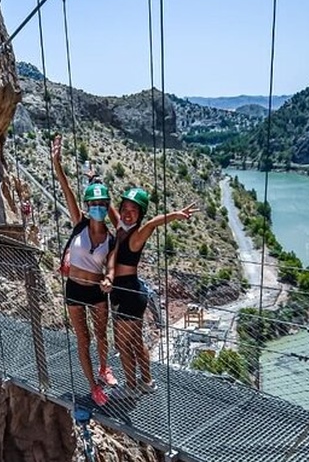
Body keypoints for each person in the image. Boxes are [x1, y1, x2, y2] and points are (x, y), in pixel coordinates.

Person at [109, 187, 198, 397]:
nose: (128, 212)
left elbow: (152, 224)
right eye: (125, 208)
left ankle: (130, 387)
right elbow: (111, 210)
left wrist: (175, 215)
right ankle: (147, 382)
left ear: (140, 214)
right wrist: (95, 181)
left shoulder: (136, 235)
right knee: (136, 341)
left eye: (134, 209)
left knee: (123, 343)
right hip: (130, 292)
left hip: (128, 293)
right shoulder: (121, 228)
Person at [51, 134, 118, 406]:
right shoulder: (79, 223)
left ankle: (104, 369)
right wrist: (57, 164)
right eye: (94, 205)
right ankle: (93, 386)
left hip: (97, 292)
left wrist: (110, 279)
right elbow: (66, 189)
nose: (98, 209)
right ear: (88, 207)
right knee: (83, 338)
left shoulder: (111, 239)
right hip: (75, 289)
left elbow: (111, 267)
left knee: (102, 335)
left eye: (102, 205)